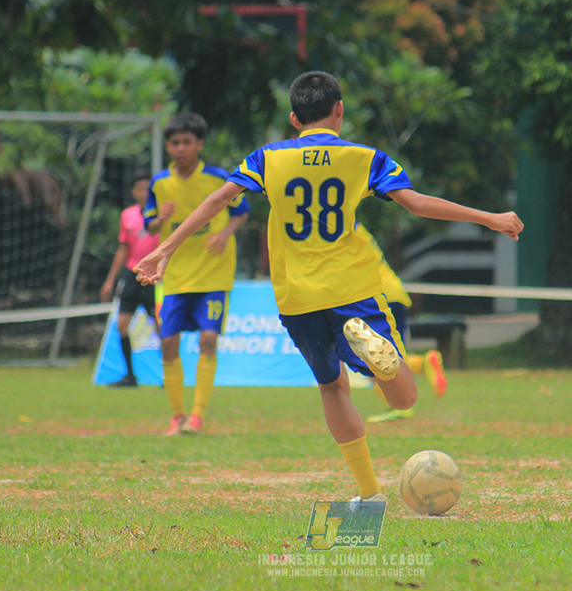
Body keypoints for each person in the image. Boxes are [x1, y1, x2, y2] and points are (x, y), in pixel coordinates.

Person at [136, 72, 523, 503]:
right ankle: (379, 355)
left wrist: (165, 249)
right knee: (402, 397)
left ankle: (369, 489)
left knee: (330, 387)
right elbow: (417, 204)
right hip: (351, 288)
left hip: (296, 297)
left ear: (294, 118)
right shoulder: (364, 157)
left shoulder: (267, 158)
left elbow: (217, 201)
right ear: (339, 109)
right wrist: (490, 218)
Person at [144, 113, 250, 436]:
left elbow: (242, 212)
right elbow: (149, 225)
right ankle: (177, 416)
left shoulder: (219, 178)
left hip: (213, 274)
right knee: (168, 342)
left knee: (208, 339)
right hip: (175, 276)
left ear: (199, 145)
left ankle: (197, 416)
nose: (181, 148)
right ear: (167, 146)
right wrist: (159, 220)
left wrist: (225, 232)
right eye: (175, 143)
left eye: (187, 142)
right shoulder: (159, 183)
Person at [351, 222, 447, 423]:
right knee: (379, 355)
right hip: (388, 293)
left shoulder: (339, 226)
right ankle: (420, 367)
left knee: (369, 356)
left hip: (375, 296)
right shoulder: (350, 224)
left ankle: (403, 397)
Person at [100, 172, 160, 388]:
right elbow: (123, 249)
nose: (144, 193)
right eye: (140, 189)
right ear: (133, 192)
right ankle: (130, 376)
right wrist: (110, 281)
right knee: (122, 325)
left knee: (162, 326)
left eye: (148, 189)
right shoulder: (128, 215)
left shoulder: (161, 215)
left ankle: (169, 377)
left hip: (154, 277)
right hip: (132, 276)